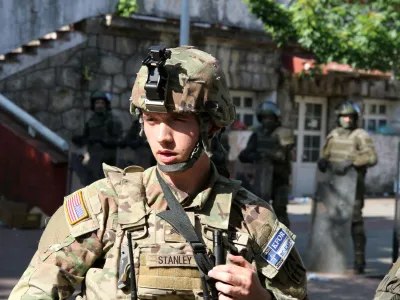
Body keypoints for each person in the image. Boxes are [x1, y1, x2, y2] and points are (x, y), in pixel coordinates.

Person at [9, 46, 308, 300]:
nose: (162, 136)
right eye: (151, 119)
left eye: (178, 120)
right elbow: (34, 290)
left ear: (211, 126)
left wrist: (260, 296)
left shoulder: (253, 218)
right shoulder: (103, 207)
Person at [317, 100, 377, 274]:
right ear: (338, 117)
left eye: (350, 116)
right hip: (333, 187)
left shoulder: (360, 135)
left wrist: (352, 162)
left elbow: (372, 158)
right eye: (344, 116)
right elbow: (325, 155)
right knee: (332, 222)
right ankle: (331, 260)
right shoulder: (333, 135)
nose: (347, 120)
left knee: (355, 223)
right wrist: (323, 161)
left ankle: (359, 262)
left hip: (353, 187)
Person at [239, 101, 295, 228]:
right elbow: (244, 155)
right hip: (263, 179)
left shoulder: (284, 133)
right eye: (264, 118)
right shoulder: (257, 133)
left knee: (280, 211)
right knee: (260, 211)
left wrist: (268, 156)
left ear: (276, 118)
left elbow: (284, 154)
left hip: (280, 179)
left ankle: (286, 242)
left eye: (270, 117)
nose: (267, 121)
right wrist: (256, 157)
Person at [71, 91, 123, 185]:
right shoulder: (91, 121)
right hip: (93, 157)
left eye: (102, 103)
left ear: (106, 105)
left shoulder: (112, 120)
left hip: (107, 159)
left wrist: (103, 141)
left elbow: (118, 140)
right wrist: (79, 139)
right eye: (97, 103)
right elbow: (86, 137)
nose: (99, 105)